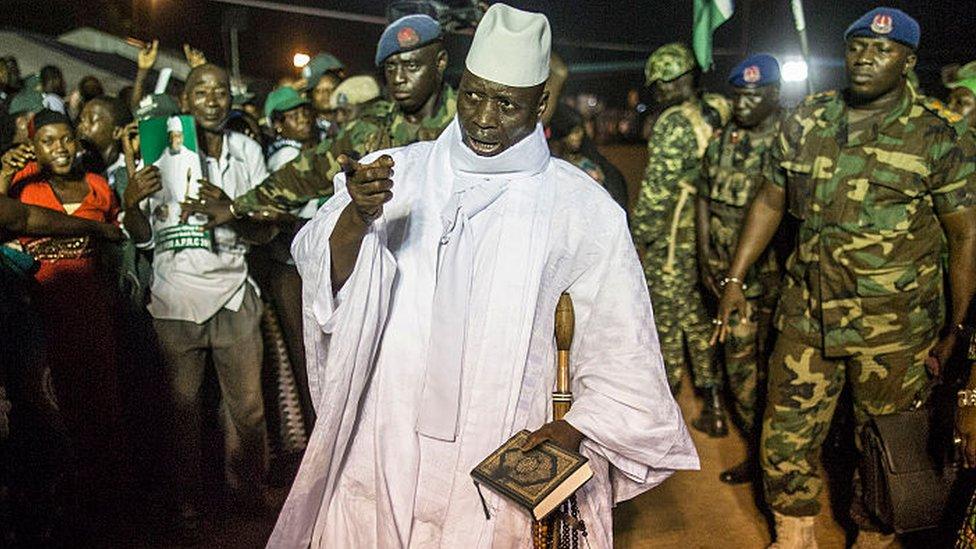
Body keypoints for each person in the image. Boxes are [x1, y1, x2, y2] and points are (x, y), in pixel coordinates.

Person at [271, 5, 697, 547]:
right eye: (472, 95)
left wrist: (576, 429)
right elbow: (322, 273)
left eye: (506, 103)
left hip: (501, 446)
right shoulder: (399, 172)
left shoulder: (581, 208)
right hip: (387, 440)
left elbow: (622, 348)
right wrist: (358, 217)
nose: (484, 118)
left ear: (541, 103)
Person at [712, 8, 976, 548]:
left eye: (882, 50)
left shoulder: (936, 134)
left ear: (908, 61)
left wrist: (957, 327)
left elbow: (964, 235)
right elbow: (769, 198)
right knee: (784, 434)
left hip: (895, 327)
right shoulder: (808, 119)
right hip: (806, 312)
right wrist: (736, 281)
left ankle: (874, 536)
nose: (865, 58)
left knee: (882, 442)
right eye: (857, 47)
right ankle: (794, 534)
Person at [121, 63, 273, 540]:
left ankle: (246, 492)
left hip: (232, 293)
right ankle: (187, 499)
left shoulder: (246, 149)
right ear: (185, 102)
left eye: (221, 91)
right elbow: (144, 239)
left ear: (230, 99)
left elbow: (266, 226)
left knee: (246, 408)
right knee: (182, 409)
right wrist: (130, 203)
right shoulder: (157, 151)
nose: (213, 99)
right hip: (174, 299)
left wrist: (228, 208)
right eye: (201, 91)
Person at [7, 109, 126, 540]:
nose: (59, 149)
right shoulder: (25, 188)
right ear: (33, 148)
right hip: (42, 322)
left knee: (104, 418)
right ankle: (63, 521)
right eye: (48, 142)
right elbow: (8, 218)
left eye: (67, 140)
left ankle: (106, 518)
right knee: (55, 421)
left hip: (95, 319)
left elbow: (119, 238)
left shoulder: (97, 186)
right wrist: (6, 172)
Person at [225, 14, 457, 221]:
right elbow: (307, 173)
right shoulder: (372, 127)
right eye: (391, 67)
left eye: (412, 65)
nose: (398, 78)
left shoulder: (467, 123)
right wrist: (236, 208)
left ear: (440, 62)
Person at [630, 42, 731, 435]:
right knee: (700, 317)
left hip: (676, 238)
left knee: (666, 321)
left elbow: (657, 191)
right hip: (716, 236)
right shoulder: (720, 108)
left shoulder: (673, 123)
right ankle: (715, 403)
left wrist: (639, 237)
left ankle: (665, 408)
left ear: (670, 84)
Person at [696, 54, 783, 485]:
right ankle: (757, 452)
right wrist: (704, 253)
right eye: (738, 96)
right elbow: (702, 197)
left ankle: (774, 459)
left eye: (753, 95)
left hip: (772, 283)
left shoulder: (789, 141)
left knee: (775, 374)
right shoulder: (721, 140)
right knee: (741, 370)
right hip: (727, 279)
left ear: (774, 94)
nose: (744, 104)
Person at [547, 103, 628, 211]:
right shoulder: (551, 167)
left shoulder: (594, 167)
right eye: (571, 132)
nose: (576, 136)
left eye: (579, 130)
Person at [264, 86, 317, 172]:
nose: (304, 119)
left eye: (305, 112)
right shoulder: (287, 156)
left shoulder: (302, 146)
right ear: (277, 124)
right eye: (294, 116)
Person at [300, 52, 345, 138]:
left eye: (331, 89)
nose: (326, 94)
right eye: (319, 90)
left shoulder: (354, 120)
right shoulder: (306, 131)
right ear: (310, 95)